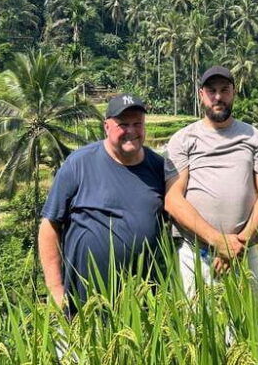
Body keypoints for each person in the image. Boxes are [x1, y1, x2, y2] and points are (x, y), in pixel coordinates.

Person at [38, 94, 165, 312]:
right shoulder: (79, 163)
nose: (132, 131)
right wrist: (55, 289)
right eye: (123, 124)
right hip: (83, 302)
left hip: (142, 300)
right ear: (106, 126)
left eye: (138, 124)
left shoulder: (158, 167)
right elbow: (49, 226)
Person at [164, 66, 258, 298]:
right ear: (201, 94)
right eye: (211, 90)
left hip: (245, 251)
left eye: (224, 90)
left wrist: (237, 245)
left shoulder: (253, 137)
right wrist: (217, 241)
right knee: (197, 326)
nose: (218, 97)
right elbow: (173, 200)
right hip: (196, 252)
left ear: (233, 92)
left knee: (249, 325)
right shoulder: (183, 139)